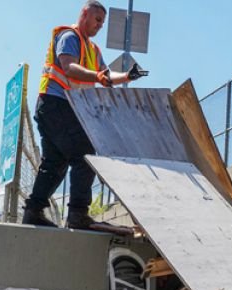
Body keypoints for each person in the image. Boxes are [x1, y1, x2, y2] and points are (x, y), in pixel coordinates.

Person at [23, 0, 147, 230]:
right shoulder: (70, 37)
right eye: (97, 20)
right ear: (84, 15)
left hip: (60, 109)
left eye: (103, 22)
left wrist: (127, 77)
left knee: (55, 162)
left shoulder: (92, 49)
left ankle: (33, 211)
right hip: (55, 104)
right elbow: (69, 68)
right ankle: (78, 213)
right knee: (85, 154)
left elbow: (104, 75)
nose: (100, 25)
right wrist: (99, 77)